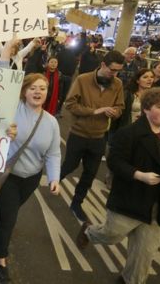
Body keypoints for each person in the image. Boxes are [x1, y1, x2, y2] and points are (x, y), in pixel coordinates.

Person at [76, 87, 160, 284]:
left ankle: (129, 280)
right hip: (130, 198)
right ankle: (90, 232)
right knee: (111, 235)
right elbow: (115, 161)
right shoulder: (128, 134)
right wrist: (139, 175)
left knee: (144, 255)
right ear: (146, 109)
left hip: (156, 207)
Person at [0, 51, 61, 283]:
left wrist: (54, 178)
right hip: (7, 176)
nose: (38, 91)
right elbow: (1, 81)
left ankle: (3, 231)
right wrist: (5, 53)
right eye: (33, 87)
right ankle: (1, 262)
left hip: (31, 179)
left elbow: (53, 153)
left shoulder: (51, 122)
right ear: (24, 91)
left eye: (42, 88)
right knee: (7, 219)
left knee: (9, 215)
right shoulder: (11, 108)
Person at [60, 50, 125, 222]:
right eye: (112, 70)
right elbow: (70, 104)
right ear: (103, 65)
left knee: (90, 173)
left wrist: (115, 112)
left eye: (118, 71)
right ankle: (54, 179)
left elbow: (120, 106)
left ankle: (76, 203)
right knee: (69, 166)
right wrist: (95, 111)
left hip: (99, 137)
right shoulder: (83, 79)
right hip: (78, 133)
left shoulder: (117, 84)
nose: (115, 74)